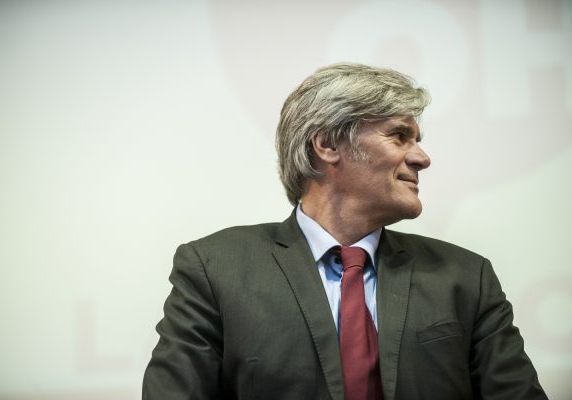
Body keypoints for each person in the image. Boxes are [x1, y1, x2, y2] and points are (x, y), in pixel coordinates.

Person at [143, 63, 547, 400]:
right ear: (328, 145)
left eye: (417, 140)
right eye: (400, 136)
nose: (422, 158)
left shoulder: (465, 277)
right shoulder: (215, 269)